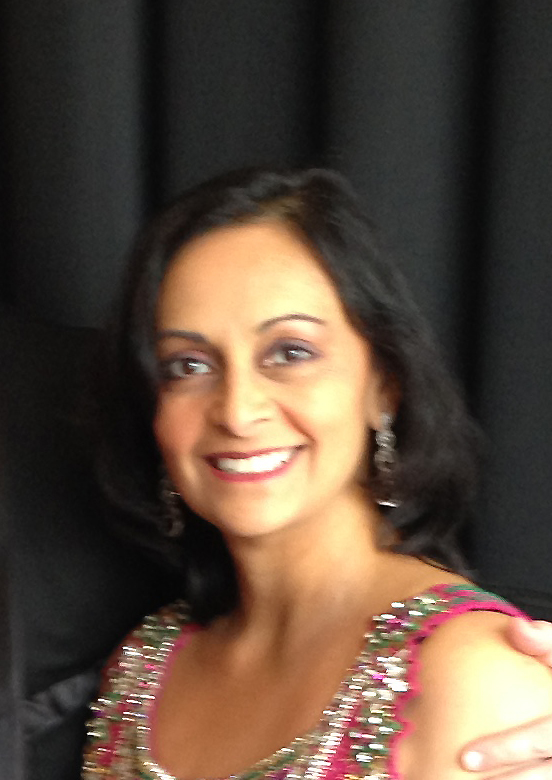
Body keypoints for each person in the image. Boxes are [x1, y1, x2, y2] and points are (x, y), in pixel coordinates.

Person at [81, 167, 552, 780]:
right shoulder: (142, 669)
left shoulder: (473, 677)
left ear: (384, 386)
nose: (238, 411)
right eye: (189, 366)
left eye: (290, 352)